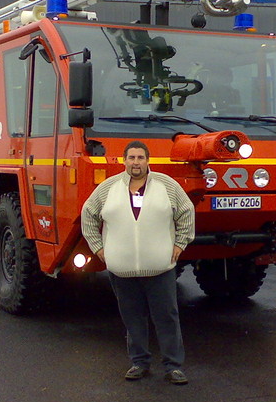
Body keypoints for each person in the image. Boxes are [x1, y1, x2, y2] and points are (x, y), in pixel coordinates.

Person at [82, 140, 195, 384]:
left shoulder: (167, 185)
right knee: (132, 318)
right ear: (124, 161)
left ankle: (173, 366)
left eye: (140, 158)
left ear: (148, 160)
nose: (136, 163)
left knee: (166, 317)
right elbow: (88, 214)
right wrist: (98, 248)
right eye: (131, 158)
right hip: (122, 270)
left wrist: (180, 243)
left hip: (160, 267)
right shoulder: (108, 188)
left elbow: (186, 211)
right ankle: (139, 362)